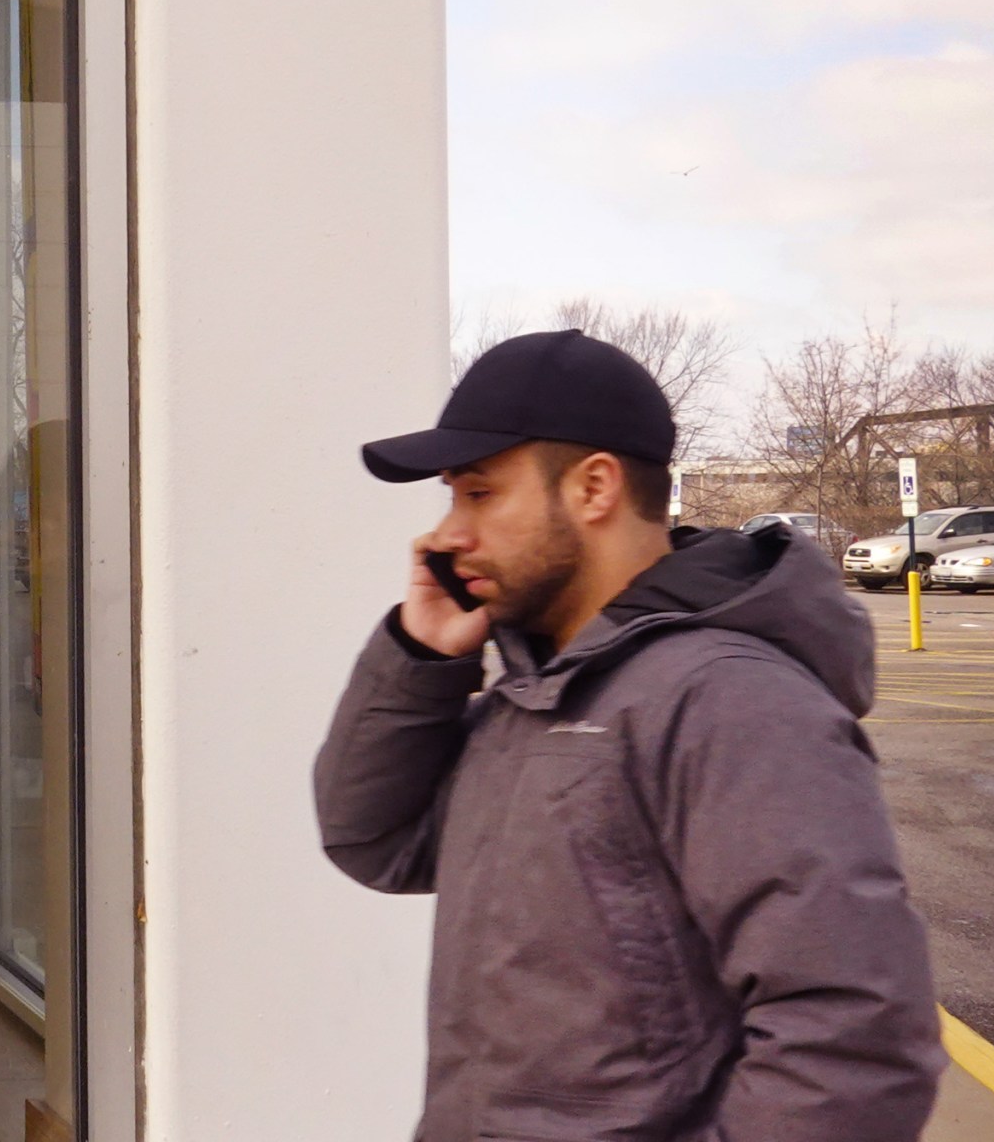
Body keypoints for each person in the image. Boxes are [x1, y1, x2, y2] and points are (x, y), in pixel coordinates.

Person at [314, 329, 943, 1142]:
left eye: (478, 494)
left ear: (595, 488)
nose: (447, 535)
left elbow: (854, 1041)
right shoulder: (536, 697)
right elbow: (374, 840)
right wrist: (418, 657)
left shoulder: (728, 701)